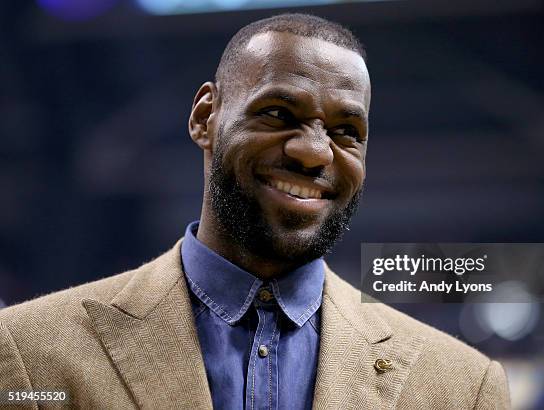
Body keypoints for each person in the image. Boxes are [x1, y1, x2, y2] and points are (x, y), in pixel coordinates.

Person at [0, 13, 510, 409]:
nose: (314, 152)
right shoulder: (29, 353)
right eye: (278, 113)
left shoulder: (463, 387)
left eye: (346, 131)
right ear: (205, 117)